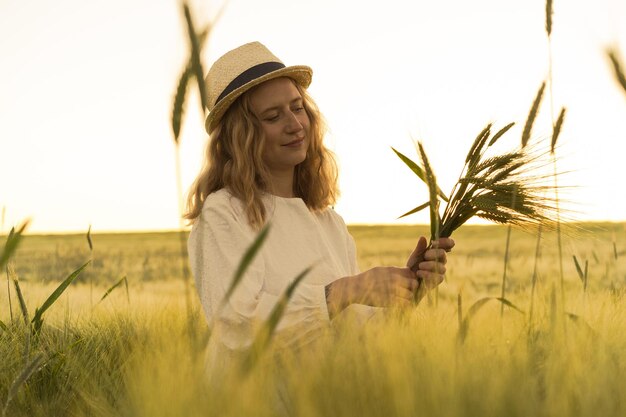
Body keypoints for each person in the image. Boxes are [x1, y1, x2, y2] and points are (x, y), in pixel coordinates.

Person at [185, 42, 455, 372]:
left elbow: (350, 337)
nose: (294, 124)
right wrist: (347, 289)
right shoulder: (222, 214)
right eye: (273, 116)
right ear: (241, 136)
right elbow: (237, 325)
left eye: (297, 108)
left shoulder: (329, 223)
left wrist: (411, 291)